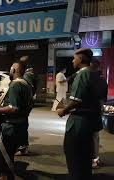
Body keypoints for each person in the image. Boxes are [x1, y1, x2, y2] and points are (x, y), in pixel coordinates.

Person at [57, 48, 103, 180]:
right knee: (84, 161)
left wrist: (63, 110)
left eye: (74, 58)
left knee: (74, 159)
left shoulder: (82, 74)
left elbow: (77, 101)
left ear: (81, 59)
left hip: (78, 124)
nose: (72, 61)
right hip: (89, 123)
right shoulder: (94, 74)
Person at [0, 61, 33, 180]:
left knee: (2, 159)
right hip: (20, 126)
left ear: (14, 70)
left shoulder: (16, 85)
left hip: (10, 127)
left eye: (11, 68)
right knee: (8, 157)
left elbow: (13, 108)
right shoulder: (26, 84)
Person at [16, 56, 36, 155]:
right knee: (22, 124)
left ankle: (23, 147)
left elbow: (28, 89)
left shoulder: (27, 74)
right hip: (26, 103)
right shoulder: (29, 73)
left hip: (24, 104)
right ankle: (22, 146)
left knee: (22, 125)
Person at [90, 60, 108, 169]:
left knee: (91, 136)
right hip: (97, 111)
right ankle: (95, 158)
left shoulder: (90, 79)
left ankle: (93, 159)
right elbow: (103, 99)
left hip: (90, 112)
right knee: (95, 136)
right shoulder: (102, 81)